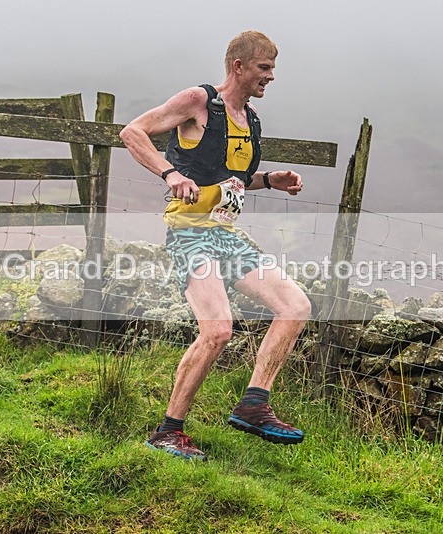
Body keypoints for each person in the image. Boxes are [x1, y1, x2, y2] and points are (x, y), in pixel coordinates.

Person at [119, 30, 311, 461]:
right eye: (265, 67)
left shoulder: (251, 119)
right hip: (189, 233)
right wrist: (170, 174)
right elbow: (133, 132)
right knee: (218, 330)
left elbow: (230, 180)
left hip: (226, 235)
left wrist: (269, 181)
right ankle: (168, 431)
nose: (271, 76)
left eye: (273, 68)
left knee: (295, 306)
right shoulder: (198, 101)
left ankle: (254, 404)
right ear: (238, 66)